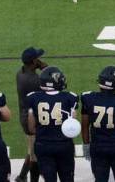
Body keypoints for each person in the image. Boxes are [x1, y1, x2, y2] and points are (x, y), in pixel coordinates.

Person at [25, 67, 78, 182]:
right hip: (64, 145)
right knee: (67, 178)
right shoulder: (70, 98)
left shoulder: (33, 97)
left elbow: (31, 128)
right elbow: (73, 128)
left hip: (43, 145)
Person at [15, 48, 47, 182]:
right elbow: (52, 87)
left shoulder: (20, 73)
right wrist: (45, 69)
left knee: (32, 149)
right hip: (32, 120)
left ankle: (22, 176)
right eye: (37, 58)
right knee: (34, 153)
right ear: (34, 61)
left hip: (25, 116)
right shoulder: (35, 80)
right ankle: (29, 177)